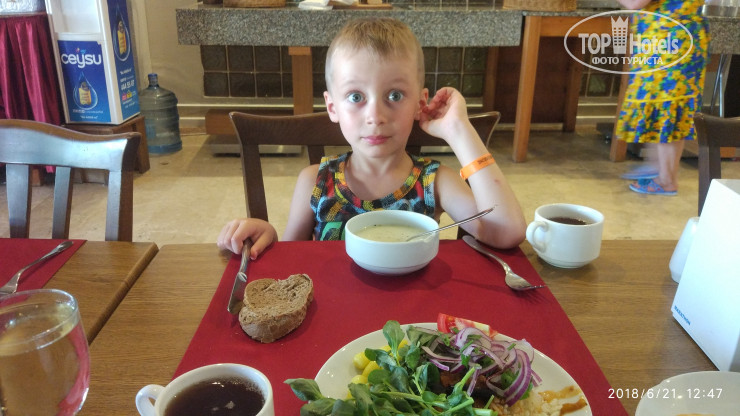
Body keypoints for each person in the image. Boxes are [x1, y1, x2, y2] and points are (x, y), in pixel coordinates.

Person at [218, 17, 526, 258]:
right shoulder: (314, 181)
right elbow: (292, 259)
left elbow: (507, 232)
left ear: (419, 103)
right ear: (332, 107)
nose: (375, 116)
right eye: (356, 96)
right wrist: (269, 237)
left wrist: (459, 130)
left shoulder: (436, 181)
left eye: (395, 95)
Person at [616, 0, 709, 195]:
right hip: (673, 36)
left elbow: (634, 2)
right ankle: (659, 169)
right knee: (671, 105)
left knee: (667, 106)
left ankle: (666, 180)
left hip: (669, 40)